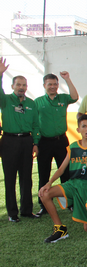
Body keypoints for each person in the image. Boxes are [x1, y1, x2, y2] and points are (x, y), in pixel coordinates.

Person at [38, 114, 87, 242]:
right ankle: (60, 229)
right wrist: (49, 183)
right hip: (73, 184)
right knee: (45, 194)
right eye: (84, 126)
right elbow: (61, 169)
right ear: (78, 130)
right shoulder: (73, 147)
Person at [0, 57, 40, 222]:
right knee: (10, 178)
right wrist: (1, 75)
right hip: (9, 141)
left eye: (24, 85)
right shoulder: (5, 101)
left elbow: (36, 125)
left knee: (26, 177)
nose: (21, 87)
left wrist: (35, 143)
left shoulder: (31, 103)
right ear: (12, 86)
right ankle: (12, 213)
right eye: (18, 84)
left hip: (26, 142)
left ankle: (27, 210)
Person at [34, 72, 79, 216]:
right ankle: (44, 205)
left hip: (61, 141)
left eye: (55, 84)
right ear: (44, 86)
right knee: (44, 173)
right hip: (44, 142)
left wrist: (67, 79)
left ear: (58, 85)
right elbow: (34, 124)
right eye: (49, 84)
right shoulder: (37, 102)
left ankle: (69, 203)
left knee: (66, 172)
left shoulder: (63, 98)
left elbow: (75, 97)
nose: (52, 87)